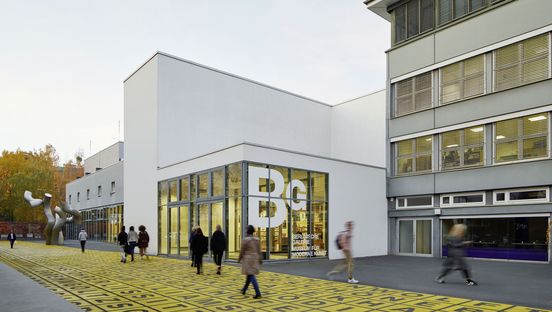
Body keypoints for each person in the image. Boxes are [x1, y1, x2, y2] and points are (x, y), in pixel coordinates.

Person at [238, 225, 262, 299]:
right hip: (255, 259)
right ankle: (244, 289)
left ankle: (258, 292)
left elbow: (242, 251)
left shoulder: (245, 240)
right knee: (249, 275)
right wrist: (260, 258)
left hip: (248, 259)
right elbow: (259, 250)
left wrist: (239, 258)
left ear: (247, 231)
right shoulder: (257, 239)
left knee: (251, 275)